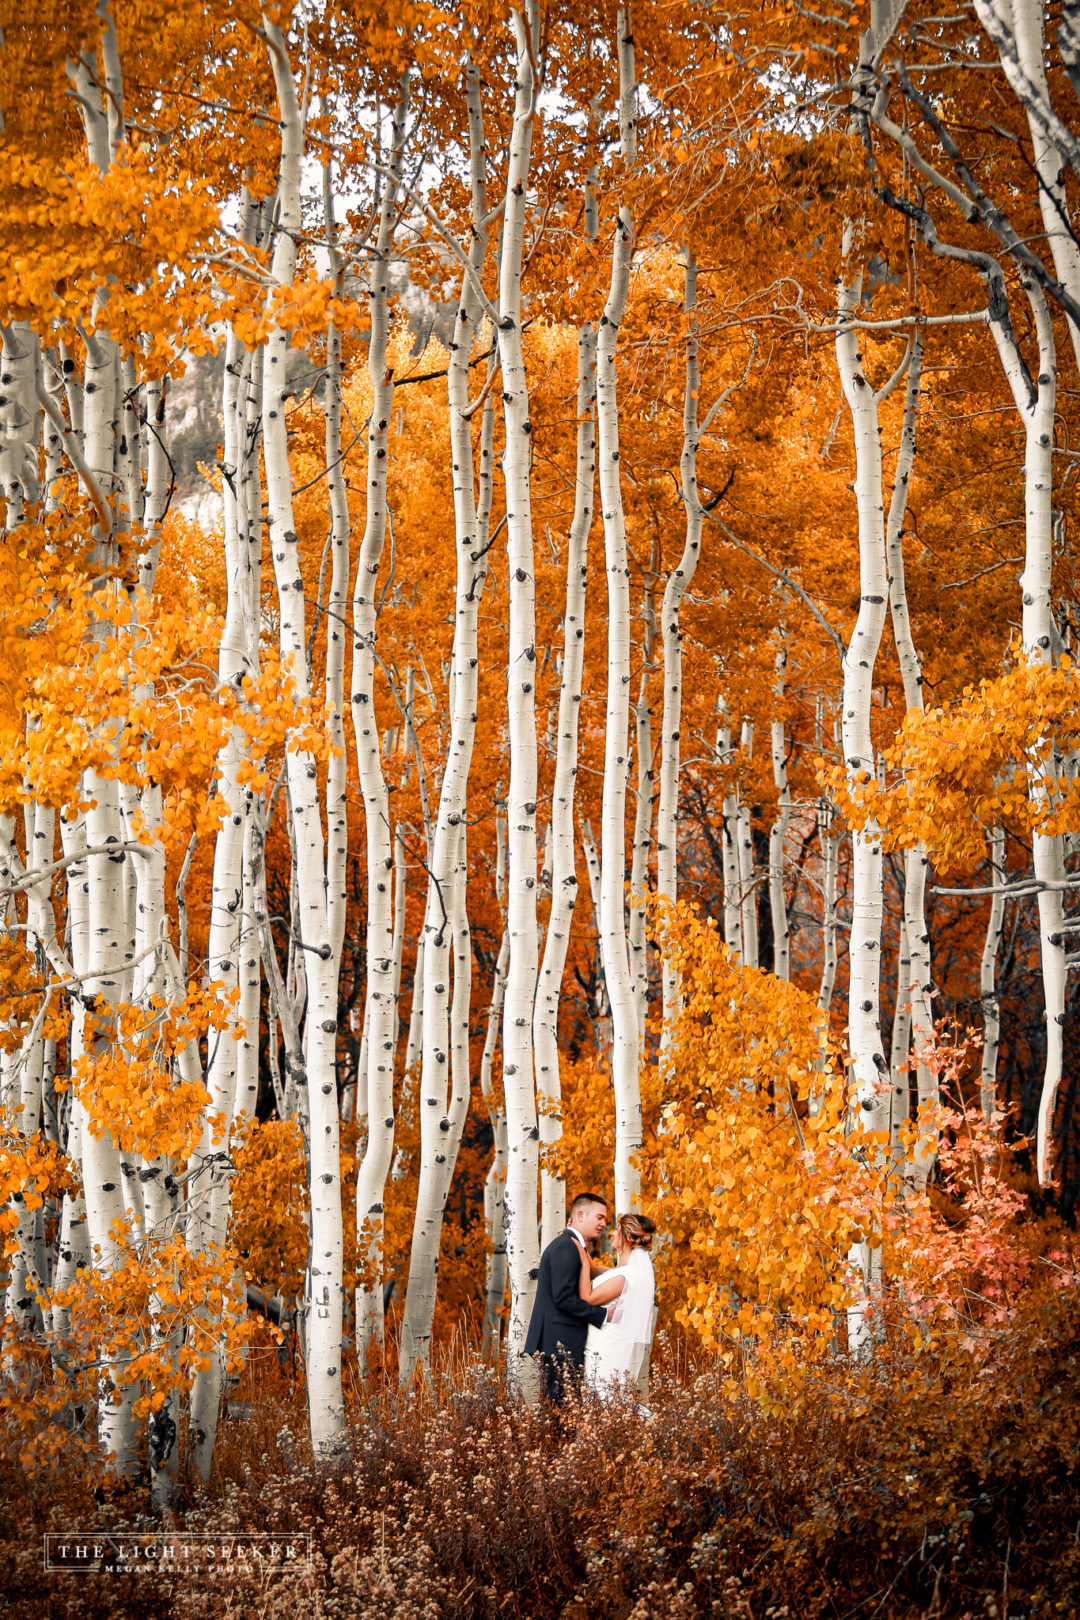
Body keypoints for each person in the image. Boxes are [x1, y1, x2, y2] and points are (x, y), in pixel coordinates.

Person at [523, 1192, 610, 1404]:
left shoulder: (572, 1246)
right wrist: (603, 1315)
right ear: (581, 1214)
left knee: (562, 1417)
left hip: (561, 1345)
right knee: (560, 1418)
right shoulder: (566, 1247)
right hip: (560, 1346)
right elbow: (563, 1298)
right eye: (600, 1217)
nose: (604, 1224)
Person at [576, 1212, 657, 1399]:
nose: (612, 1233)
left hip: (606, 1348)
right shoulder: (621, 1271)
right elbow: (597, 1271)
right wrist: (580, 1242)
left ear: (626, 1237)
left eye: (616, 1229)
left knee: (602, 1396)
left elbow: (587, 1298)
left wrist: (583, 1265)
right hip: (600, 1342)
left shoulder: (624, 1277)